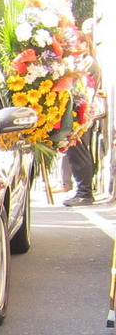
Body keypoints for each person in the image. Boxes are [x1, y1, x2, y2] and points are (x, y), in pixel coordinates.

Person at [64, 25, 101, 207]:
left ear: (84, 44)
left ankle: (84, 193)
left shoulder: (87, 62)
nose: (74, 46)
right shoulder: (82, 61)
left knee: (79, 151)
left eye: (76, 43)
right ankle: (83, 190)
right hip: (80, 111)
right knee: (76, 151)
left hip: (82, 112)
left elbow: (83, 87)